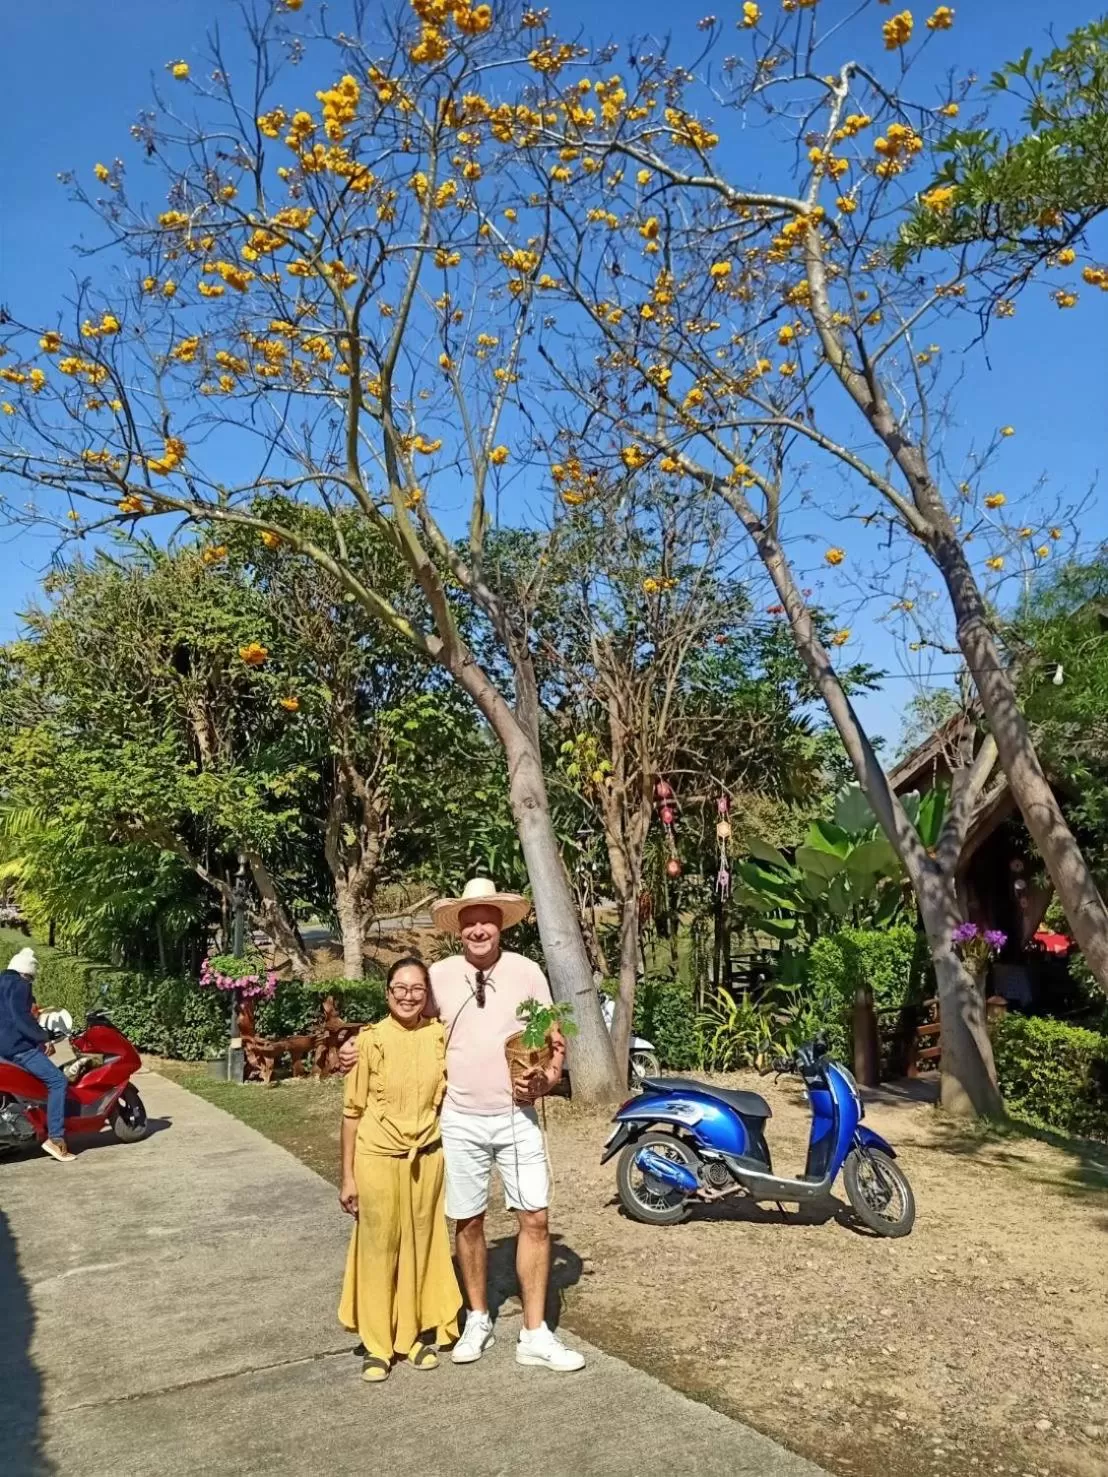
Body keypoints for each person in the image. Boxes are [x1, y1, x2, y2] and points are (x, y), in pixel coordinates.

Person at [340, 877, 585, 1373]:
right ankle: (477, 1317)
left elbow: (553, 1038)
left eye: (486, 919)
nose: (478, 928)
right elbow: (407, 1015)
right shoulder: (442, 975)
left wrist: (547, 1079)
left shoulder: (527, 972)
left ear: (500, 923)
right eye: (469, 920)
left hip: (516, 1116)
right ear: (460, 928)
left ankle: (535, 1334)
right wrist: (360, 1042)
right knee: (467, 1220)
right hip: (459, 1119)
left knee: (534, 1218)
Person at [338, 956, 462, 1383]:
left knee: (421, 1245)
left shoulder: (439, 1037)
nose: (408, 996)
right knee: (379, 1249)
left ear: (426, 995)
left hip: (427, 1158)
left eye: (417, 989)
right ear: (387, 992)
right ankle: (377, 1345)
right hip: (377, 1157)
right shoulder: (369, 1041)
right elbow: (351, 1113)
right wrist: (348, 1177)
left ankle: (410, 1336)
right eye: (400, 988)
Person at [0, 947, 75, 1162]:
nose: (30, 984)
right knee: (58, 1081)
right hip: (17, 1049)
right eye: (31, 979)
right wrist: (43, 1036)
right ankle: (56, 1139)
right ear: (26, 973)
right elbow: (20, 1019)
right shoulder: (20, 986)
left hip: (2, 1049)